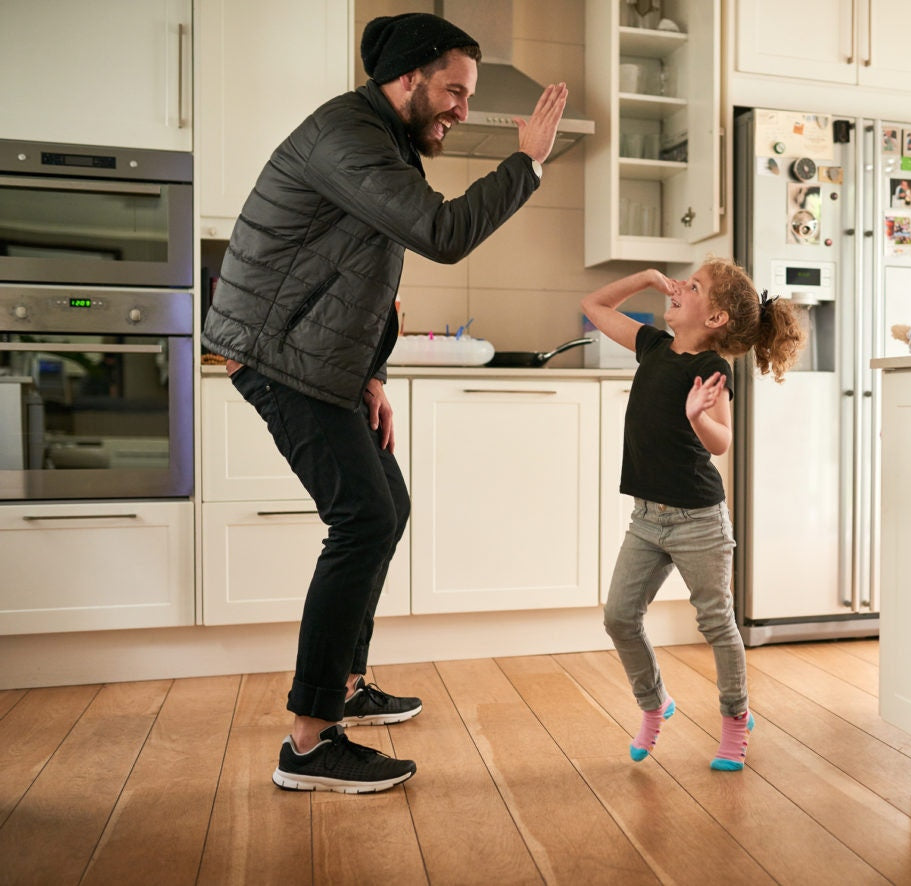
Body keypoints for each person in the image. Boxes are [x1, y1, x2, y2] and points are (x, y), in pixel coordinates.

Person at [200, 12, 567, 794]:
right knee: (364, 516)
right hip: (276, 354)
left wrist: (372, 376)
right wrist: (525, 165)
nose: (463, 110)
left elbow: (365, 278)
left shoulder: (384, 139)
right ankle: (308, 740)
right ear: (407, 79)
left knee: (385, 505)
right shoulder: (348, 134)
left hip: (315, 359)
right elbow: (439, 232)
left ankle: (347, 683)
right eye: (455, 92)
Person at [580, 258, 806, 771]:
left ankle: (734, 719)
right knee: (619, 617)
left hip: (698, 521)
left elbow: (722, 442)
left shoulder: (711, 370)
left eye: (694, 287)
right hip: (647, 519)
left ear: (716, 319)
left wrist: (698, 416)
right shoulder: (652, 346)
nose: (681, 288)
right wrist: (645, 278)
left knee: (716, 623)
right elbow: (593, 306)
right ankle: (655, 702)